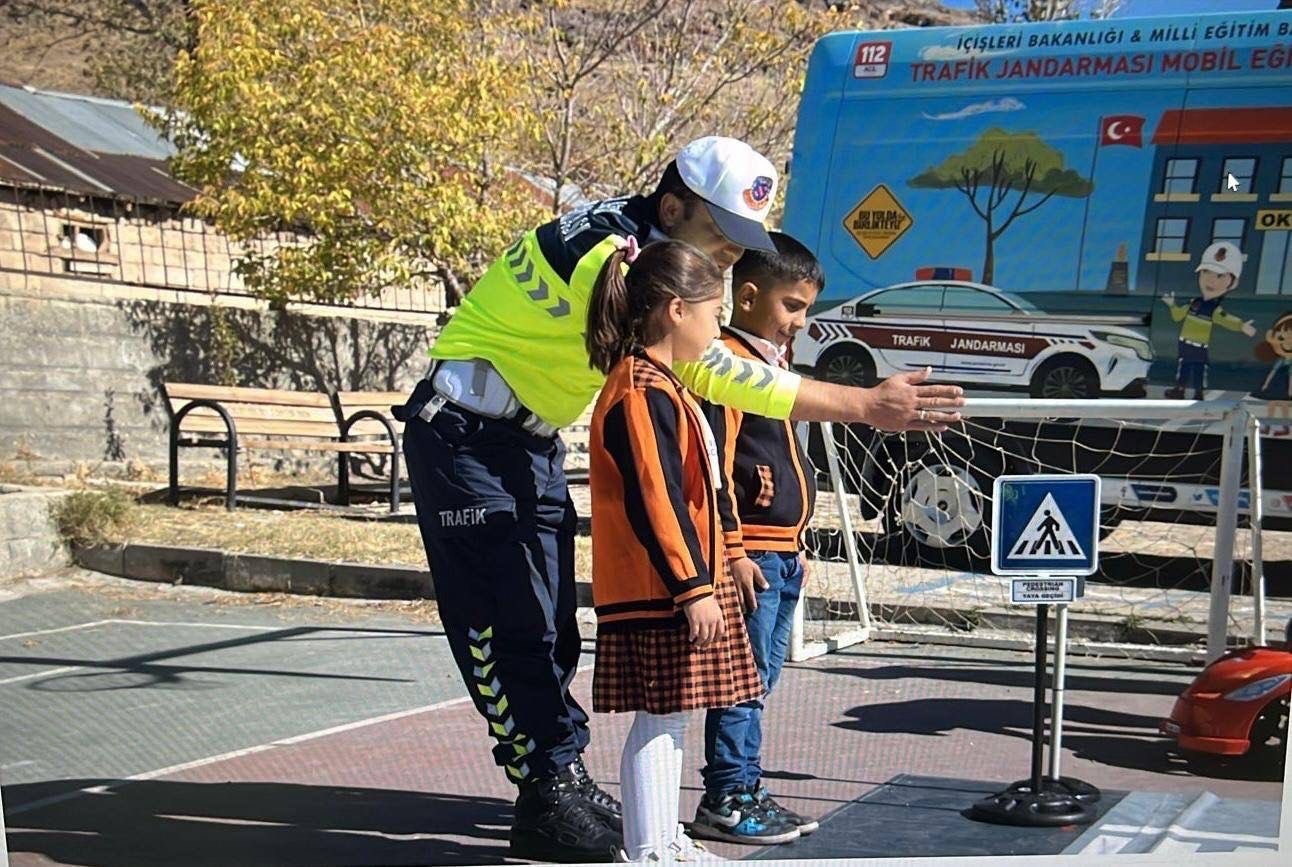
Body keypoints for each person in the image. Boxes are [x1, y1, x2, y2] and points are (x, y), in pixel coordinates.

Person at [396, 135, 963, 863]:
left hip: (524, 441)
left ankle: (557, 782)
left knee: (548, 628)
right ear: (672, 209)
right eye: (723, 243)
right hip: (466, 439)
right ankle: (547, 788)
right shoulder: (614, 264)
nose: (730, 267)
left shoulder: (646, 252)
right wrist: (860, 403)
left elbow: (714, 367)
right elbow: (717, 370)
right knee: (506, 622)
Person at [587, 237, 754, 863]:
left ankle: (664, 837)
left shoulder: (667, 385)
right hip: (658, 587)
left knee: (674, 716)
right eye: (715, 314)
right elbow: (656, 498)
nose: (719, 329)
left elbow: (705, 486)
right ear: (677, 310)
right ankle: (648, 847)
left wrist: (731, 554)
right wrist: (692, 589)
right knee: (660, 717)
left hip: (681, 582)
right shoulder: (639, 390)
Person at [689, 233, 821, 847]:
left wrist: (799, 542)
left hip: (783, 553)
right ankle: (728, 794)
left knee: (761, 680)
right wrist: (735, 550)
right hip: (753, 557)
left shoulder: (776, 364)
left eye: (805, 308)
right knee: (741, 684)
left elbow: (791, 458)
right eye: (792, 305)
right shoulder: (729, 364)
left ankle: (746, 784)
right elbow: (719, 466)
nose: (801, 319)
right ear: (747, 296)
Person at [1161, 240, 1255, 400]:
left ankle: (1198, 393)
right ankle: (1179, 390)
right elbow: (1178, 316)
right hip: (1185, 343)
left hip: (1199, 347)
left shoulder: (1214, 309)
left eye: (1220, 275)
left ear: (1232, 282)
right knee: (1183, 368)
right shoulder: (1194, 302)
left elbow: (1227, 320)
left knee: (1198, 370)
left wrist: (1241, 326)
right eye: (1206, 272)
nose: (1211, 280)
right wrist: (1172, 305)